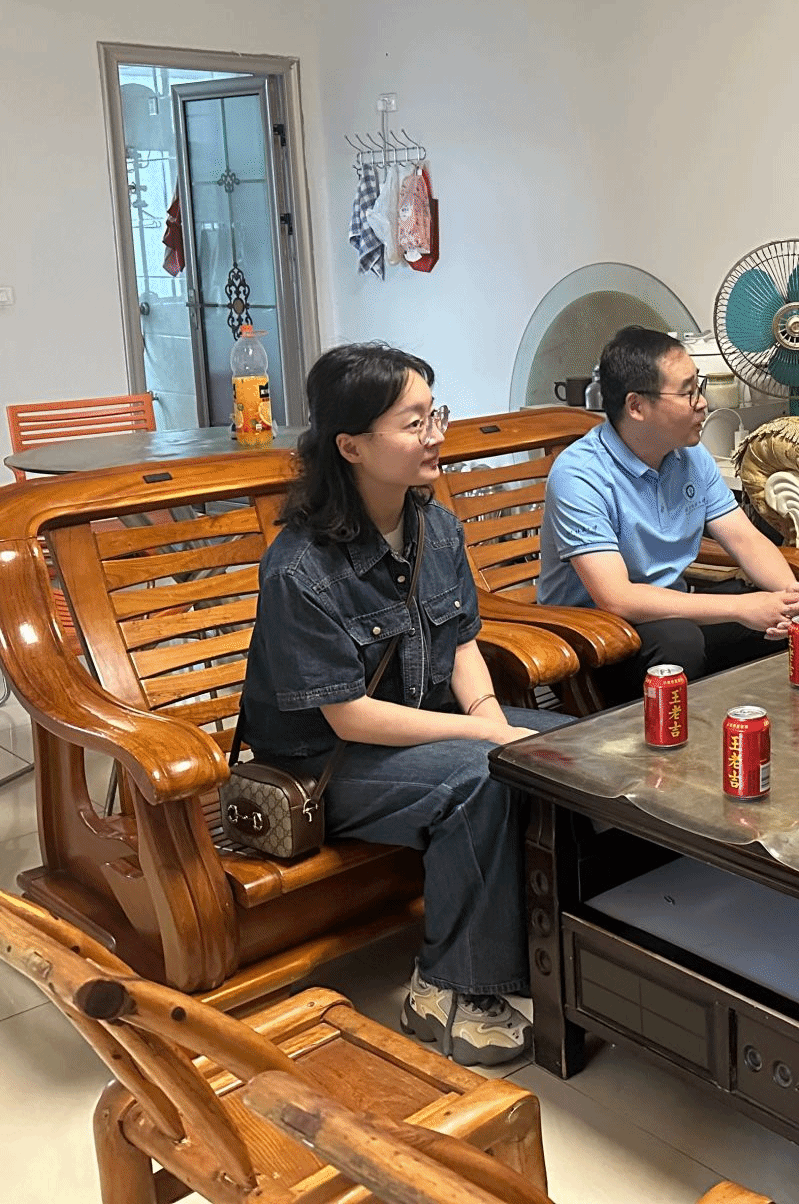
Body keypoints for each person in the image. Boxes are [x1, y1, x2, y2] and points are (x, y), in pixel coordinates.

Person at [241, 343, 570, 1067]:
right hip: (324, 763)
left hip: (420, 734)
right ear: (351, 446)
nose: (435, 435)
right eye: (412, 423)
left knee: (574, 747)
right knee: (482, 777)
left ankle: (561, 956)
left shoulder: (436, 527)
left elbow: (461, 641)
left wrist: (489, 716)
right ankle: (450, 986)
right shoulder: (300, 568)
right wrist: (483, 739)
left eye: (434, 414)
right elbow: (349, 717)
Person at [537, 326, 799, 702]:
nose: (702, 403)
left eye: (699, 387)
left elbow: (744, 539)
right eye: (688, 393)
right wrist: (741, 607)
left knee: (797, 619)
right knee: (681, 641)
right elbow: (617, 598)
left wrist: (789, 598)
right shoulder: (580, 475)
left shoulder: (690, 454)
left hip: (671, 611)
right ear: (636, 406)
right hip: (594, 637)